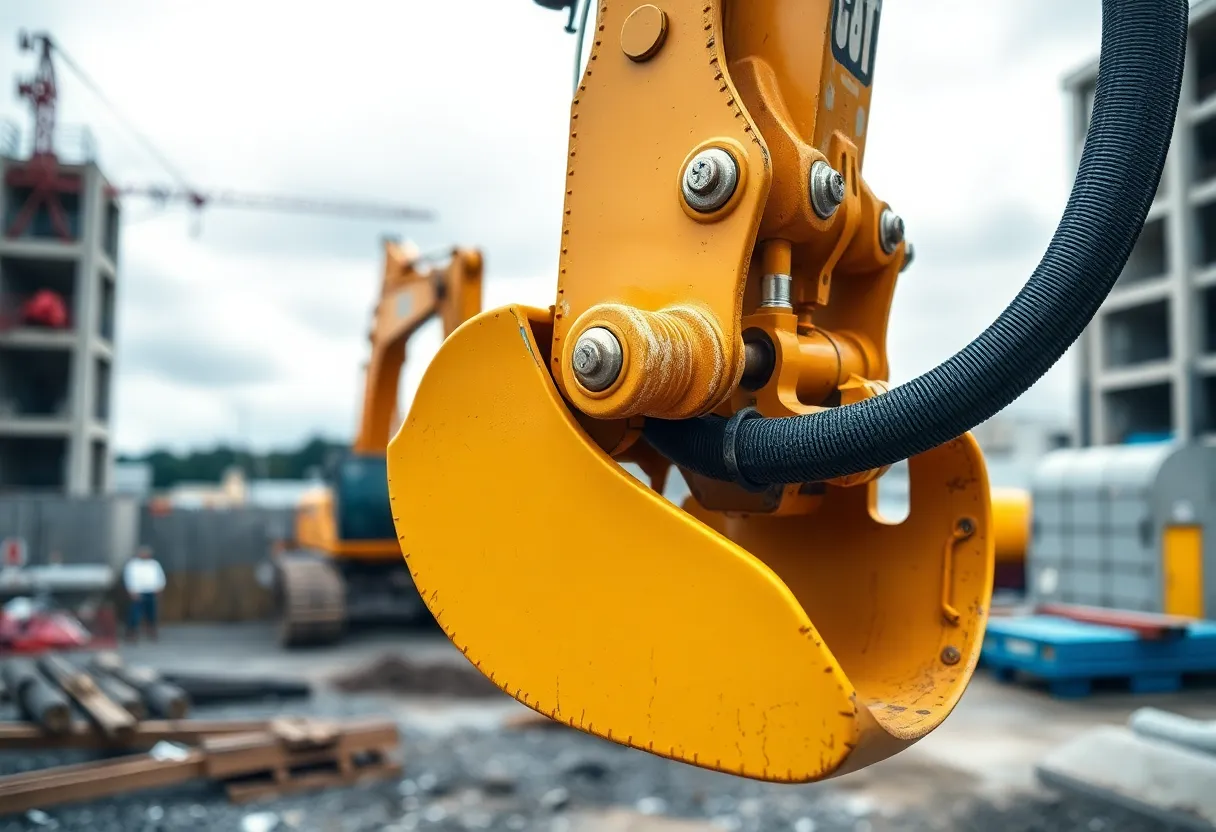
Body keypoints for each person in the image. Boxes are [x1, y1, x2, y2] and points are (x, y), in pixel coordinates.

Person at [123, 545, 166, 642]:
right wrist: (132, 590)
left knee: (151, 612)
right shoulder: (133, 564)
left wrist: (159, 588)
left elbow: (160, 576)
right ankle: (132, 632)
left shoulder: (154, 564)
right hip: (138, 592)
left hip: (151, 591)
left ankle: (151, 630)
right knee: (135, 613)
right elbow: (128, 578)